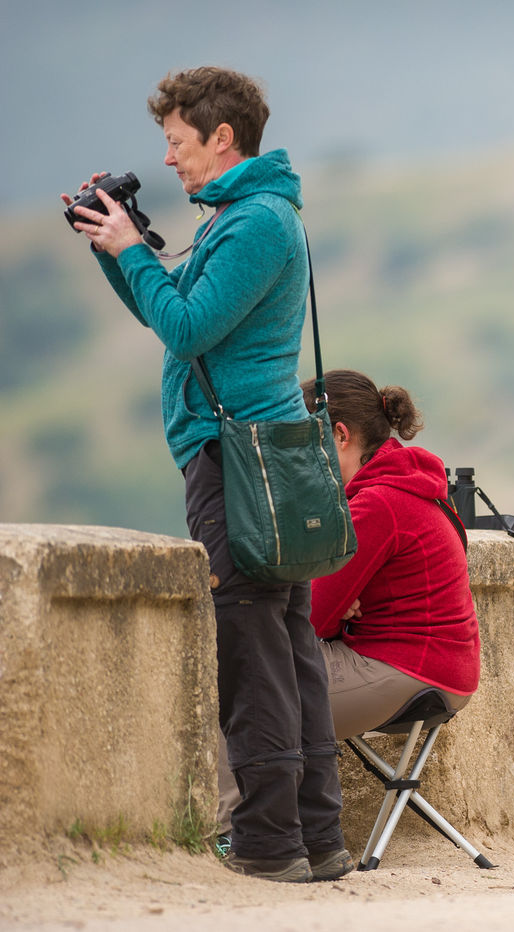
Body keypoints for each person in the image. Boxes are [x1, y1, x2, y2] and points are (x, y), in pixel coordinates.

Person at [63, 67, 348, 882]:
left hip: (237, 457)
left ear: (222, 139)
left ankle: (268, 841)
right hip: (259, 453)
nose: (172, 160)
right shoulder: (247, 216)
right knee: (287, 642)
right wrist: (118, 252)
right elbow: (171, 311)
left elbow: (186, 327)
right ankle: (317, 837)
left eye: (179, 143)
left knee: (253, 644)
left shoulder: (254, 222)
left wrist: (132, 254)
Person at [214, 372, 481, 838]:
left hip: (402, 670)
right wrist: (341, 605)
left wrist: (334, 606)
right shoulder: (409, 485)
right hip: (442, 670)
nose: (298, 461)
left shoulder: (376, 504)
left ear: (340, 435)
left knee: (248, 690)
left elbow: (311, 616)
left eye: (304, 444)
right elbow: (329, 608)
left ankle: (232, 835)